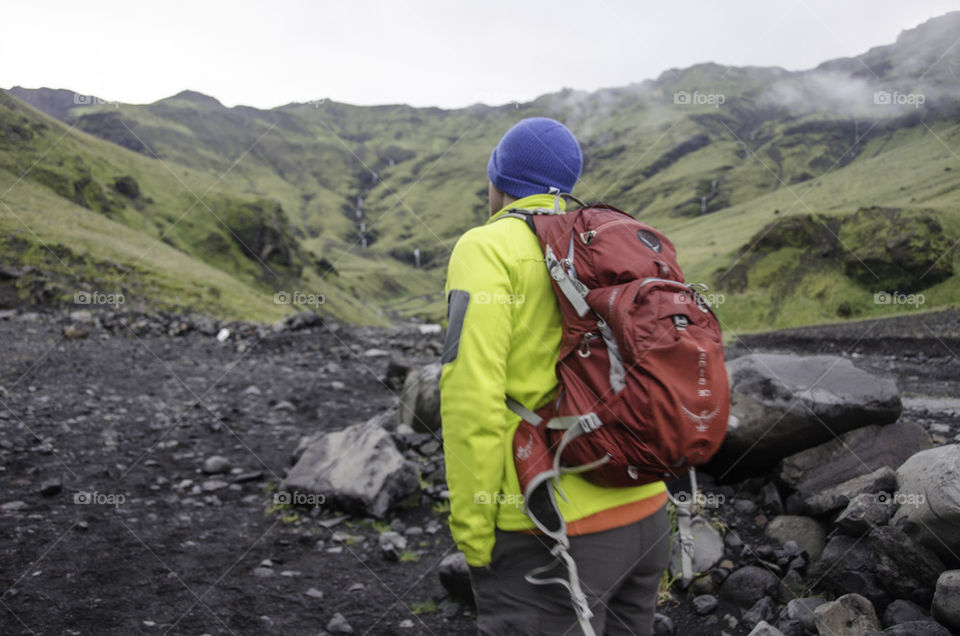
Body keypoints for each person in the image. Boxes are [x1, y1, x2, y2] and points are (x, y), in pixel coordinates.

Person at [439, 117, 671, 635]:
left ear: (497, 179)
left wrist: (475, 535)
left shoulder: (486, 247)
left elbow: (470, 395)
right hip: (648, 509)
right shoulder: (608, 242)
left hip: (551, 529)